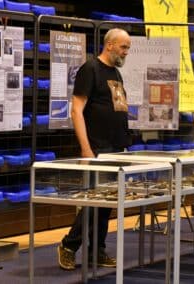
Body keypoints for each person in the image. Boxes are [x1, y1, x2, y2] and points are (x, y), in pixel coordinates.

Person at [57, 28, 131, 270]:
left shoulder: (116, 73)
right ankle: (69, 245)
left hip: (116, 147)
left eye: (127, 47)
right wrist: (86, 149)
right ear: (109, 45)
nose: (126, 51)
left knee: (107, 202)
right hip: (98, 147)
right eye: (123, 47)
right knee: (94, 202)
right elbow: (77, 110)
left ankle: (97, 250)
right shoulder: (90, 69)